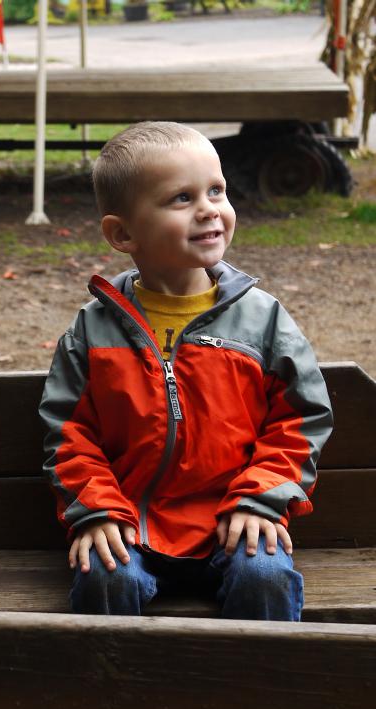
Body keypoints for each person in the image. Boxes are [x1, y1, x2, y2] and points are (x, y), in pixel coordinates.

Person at [39, 121, 332, 620]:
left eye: (216, 190)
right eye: (182, 198)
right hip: (129, 523)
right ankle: (114, 675)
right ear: (122, 233)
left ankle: (261, 674)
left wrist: (261, 499)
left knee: (265, 576)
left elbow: (300, 421)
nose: (209, 209)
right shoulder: (94, 329)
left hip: (237, 519)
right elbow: (70, 435)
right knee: (105, 576)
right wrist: (98, 511)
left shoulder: (263, 320)